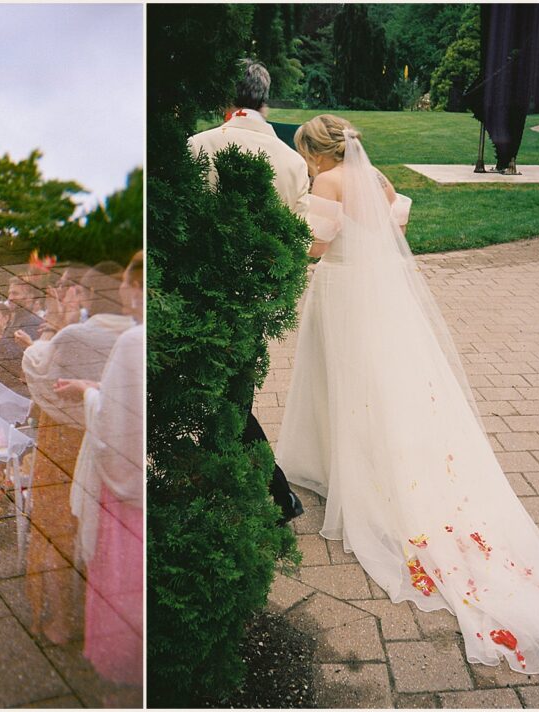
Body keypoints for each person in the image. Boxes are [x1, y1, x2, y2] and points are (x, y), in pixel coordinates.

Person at [276, 114, 539, 708]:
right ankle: (355, 465)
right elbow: (391, 232)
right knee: (374, 391)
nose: (304, 162)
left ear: (316, 151)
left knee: (344, 386)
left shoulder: (327, 184)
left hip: (341, 294)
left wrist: (282, 234)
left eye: (304, 153)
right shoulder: (377, 179)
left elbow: (314, 247)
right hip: (377, 300)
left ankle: (352, 475)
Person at [188, 57, 308, 526]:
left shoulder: (199, 146)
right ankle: (226, 483)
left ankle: (278, 495)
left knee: (224, 400)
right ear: (264, 98)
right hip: (259, 299)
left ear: (226, 99)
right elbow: (297, 237)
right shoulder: (293, 162)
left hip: (203, 293)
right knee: (229, 395)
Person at [21, 263, 133, 645]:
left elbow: (36, 369)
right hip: (113, 441)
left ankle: (61, 621)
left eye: (74, 289)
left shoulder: (75, 334)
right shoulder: (132, 334)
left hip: (66, 439)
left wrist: (53, 324)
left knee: (56, 527)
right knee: (102, 528)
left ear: (85, 296)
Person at [56, 251, 144, 692]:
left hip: (127, 490)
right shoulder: (136, 335)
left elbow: (112, 415)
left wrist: (88, 395)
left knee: (120, 576)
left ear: (134, 287)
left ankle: (118, 667)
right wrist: (95, 388)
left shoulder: (133, 340)